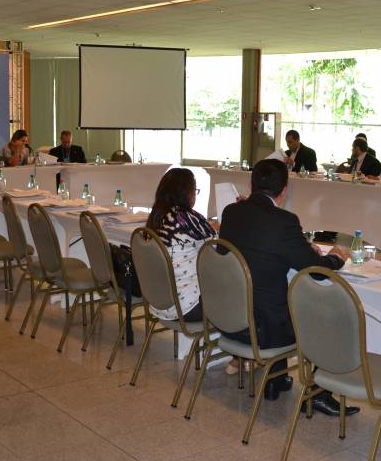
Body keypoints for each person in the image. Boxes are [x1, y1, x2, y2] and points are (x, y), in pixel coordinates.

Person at [219, 159, 357, 415]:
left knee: (273, 294)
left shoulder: (231, 212)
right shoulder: (284, 221)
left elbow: (257, 252)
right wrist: (336, 257)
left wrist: (299, 249)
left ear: (251, 184)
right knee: (323, 312)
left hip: (230, 320)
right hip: (264, 330)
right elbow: (315, 271)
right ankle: (319, 393)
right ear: (284, 191)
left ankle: (277, 380)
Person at [144, 168, 215, 323]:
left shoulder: (156, 217)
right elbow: (216, 251)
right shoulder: (188, 219)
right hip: (186, 307)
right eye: (194, 190)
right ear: (187, 193)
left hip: (159, 304)